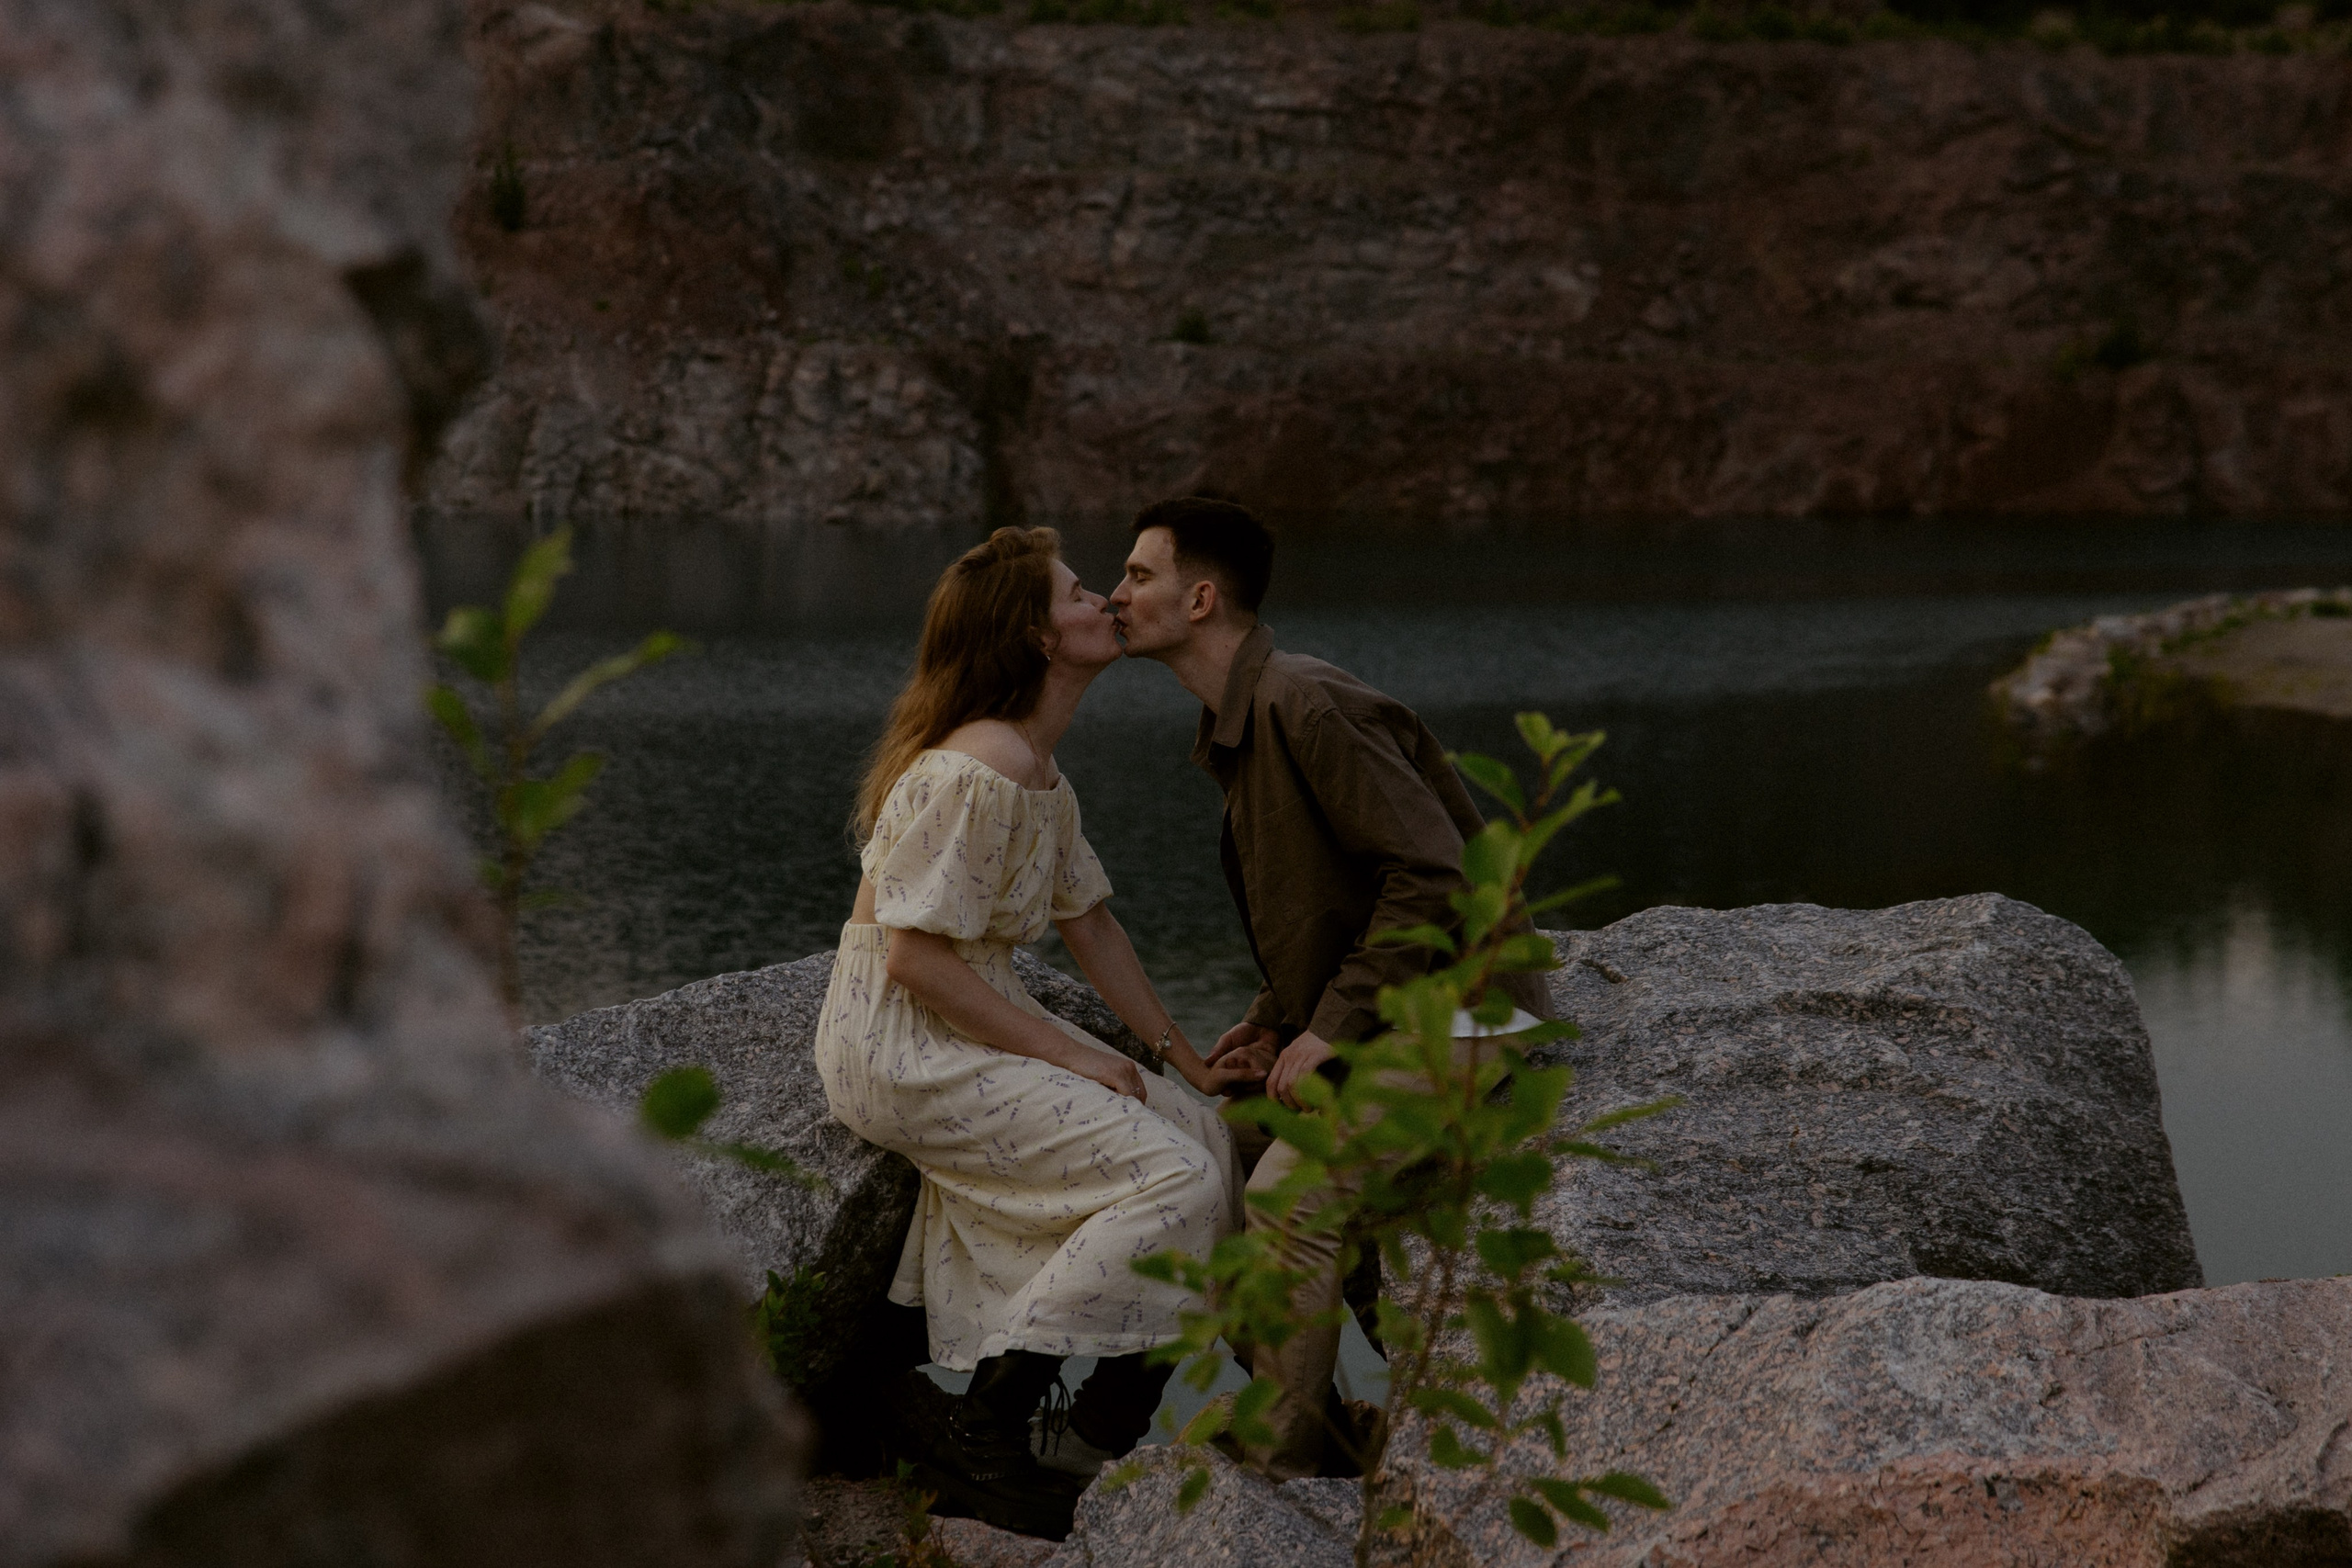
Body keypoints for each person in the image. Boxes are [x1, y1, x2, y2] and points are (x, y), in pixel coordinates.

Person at [811, 525, 1265, 1537]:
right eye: (1076, 594)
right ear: (1036, 637)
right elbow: (913, 960)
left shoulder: (1037, 771)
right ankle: (981, 1420)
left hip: (963, 1026)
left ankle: (1096, 1426)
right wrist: (1073, 1053)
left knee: (1204, 1140)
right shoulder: (976, 770)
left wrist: (1183, 1063)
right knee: (1172, 1180)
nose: (1104, 600)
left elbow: (1089, 921)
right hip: (901, 1045)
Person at [1106, 495, 1557, 1483]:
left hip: (1474, 1007)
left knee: (1290, 1195)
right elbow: (1341, 904)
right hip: (1394, 1012)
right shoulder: (1241, 723)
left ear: (1200, 598)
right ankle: (1326, 1414)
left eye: (1138, 575)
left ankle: (1278, 1475)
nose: (1116, 593)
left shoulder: (1303, 702)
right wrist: (1277, 1024)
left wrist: (1336, 1028)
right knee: (1201, 1160)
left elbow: (1433, 877)